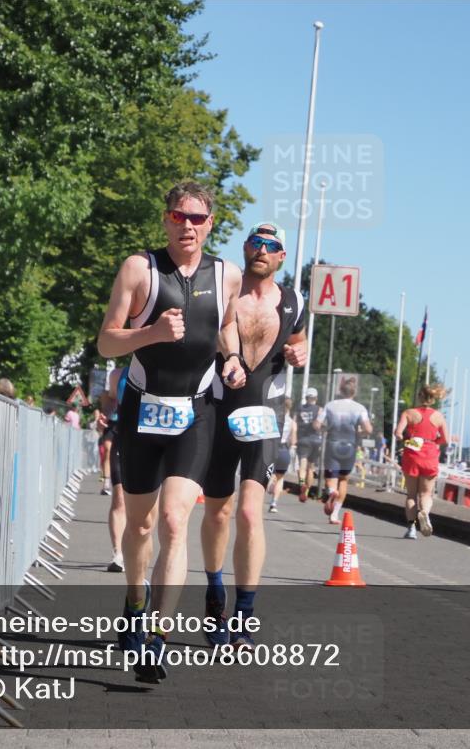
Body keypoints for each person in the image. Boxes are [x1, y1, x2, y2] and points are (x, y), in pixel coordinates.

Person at [97, 180, 245, 683]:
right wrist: (153, 333)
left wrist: (234, 360)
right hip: (143, 408)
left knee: (176, 523)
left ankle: (156, 639)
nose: (188, 226)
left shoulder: (227, 275)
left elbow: (226, 328)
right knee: (139, 526)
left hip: (195, 411)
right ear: (165, 219)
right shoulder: (141, 269)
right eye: (179, 217)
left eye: (198, 219)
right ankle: (135, 604)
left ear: (210, 224)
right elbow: (106, 343)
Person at [200, 222, 307, 651]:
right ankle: (214, 591)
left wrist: (301, 353)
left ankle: (244, 615)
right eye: (256, 243)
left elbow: (298, 345)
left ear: (281, 257)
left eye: (272, 246)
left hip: (262, 413)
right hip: (217, 407)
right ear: (245, 248)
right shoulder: (225, 290)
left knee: (249, 513)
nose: (262, 250)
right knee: (218, 512)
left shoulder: (294, 302)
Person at [314, 376, 373, 524]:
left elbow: (316, 424)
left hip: (333, 443)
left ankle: (331, 491)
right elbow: (368, 428)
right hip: (350, 445)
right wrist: (359, 434)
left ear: (340, 390)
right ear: (354, 392)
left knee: (331, 477)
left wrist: (325, 429)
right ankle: (334, 514)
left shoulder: (330, 405)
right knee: (344, 480)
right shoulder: (360, 408)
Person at [394, 383, 449, 539]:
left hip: (412, 453)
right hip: (430, 454)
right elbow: (446, 439)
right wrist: (432, 443)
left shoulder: (408, 413)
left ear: (419, 396)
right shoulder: (439, 416)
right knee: (426, 494)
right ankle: (424, 512)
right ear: (433, 398)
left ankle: (411, 528)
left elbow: (398, 433)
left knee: (411, 495)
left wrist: (404, 438)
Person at [100, 366, 128, 572]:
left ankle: (135, 552)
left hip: (153, 444)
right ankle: (118, 553)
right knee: (119, 499)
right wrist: (105, 415)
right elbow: (110, 400)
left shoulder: (167, 368)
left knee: (145, 513)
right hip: (123, 438)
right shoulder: (118, 375)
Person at [268, 398, 297, 513]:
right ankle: (274, 503)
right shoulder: (292, 422)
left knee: (269, 473)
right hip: (284, 450)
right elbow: (293, 441)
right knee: (280, 478)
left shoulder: (272, 418)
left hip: (272, 448)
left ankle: (270, 482)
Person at [295, 387, 323, 501]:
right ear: (316, 398)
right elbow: (320, 424)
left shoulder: (299, 408)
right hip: (316, 439)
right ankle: (306, 491)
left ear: (306, 397)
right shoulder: (319, 409)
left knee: (302, 464)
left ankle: (301, 484)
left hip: (303, 439)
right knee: (311, 468)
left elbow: (295, 423)